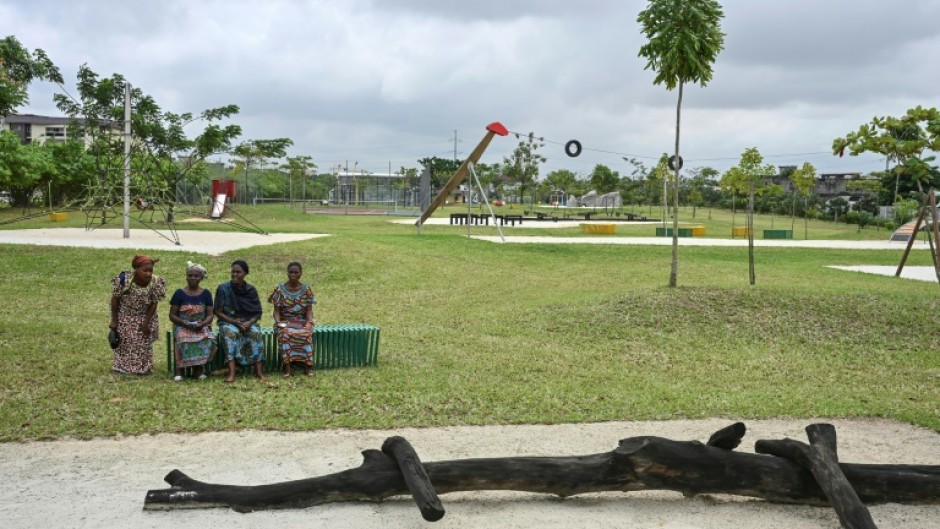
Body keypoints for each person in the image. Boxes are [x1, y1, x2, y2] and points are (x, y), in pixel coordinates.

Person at [109, 254, 167, 375]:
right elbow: (115, 299)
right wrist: (114, 320)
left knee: (142, 342)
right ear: (136, 269)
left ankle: (143, 368)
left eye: (150, 270)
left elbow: (154, 304)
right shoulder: (125, 280)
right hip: (125, 314)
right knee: (125, 341)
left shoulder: (155, 282)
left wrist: (146, 323)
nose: (148, 274)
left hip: (145, 315)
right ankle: (122, 366)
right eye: (145, 270)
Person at [214, 259, 266, 382]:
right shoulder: (223, 288)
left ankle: (259, 373)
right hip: (229, 322)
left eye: (238, 272)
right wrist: (235, 322)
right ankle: (231, 373)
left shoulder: (251, 290)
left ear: (245, 273)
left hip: (247, 322)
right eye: (233, 272)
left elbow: (257, 312)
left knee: (256, 334)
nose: (235, 274)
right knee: (229, 334)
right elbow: (218, 311)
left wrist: (249, 323)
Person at [168, 261, 216, 382]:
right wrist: (184, 323)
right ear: (186, 277)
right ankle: (180, 370)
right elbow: (172, 315)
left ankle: (198, 369)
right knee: (183, 338)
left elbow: (210, 315)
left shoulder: (206, 294)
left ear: (201, 278)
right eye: (190, 275)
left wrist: (203, 324)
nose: (193, 278)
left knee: (207, 338)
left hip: (200, 325)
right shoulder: (179, 293)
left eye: (196, 276)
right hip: (182, 325)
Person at [269, 261, 317, 377]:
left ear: (301, 273)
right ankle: (288, 368)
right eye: (291, 272)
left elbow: (309, 310)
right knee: (285, 333)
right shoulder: (279, 289)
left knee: (306, 333)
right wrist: (278, 322)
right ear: (287, 273)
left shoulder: (306, 289)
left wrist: (309, 322)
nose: (293, 275)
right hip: (284, 321)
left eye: (296, 272)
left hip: (302, 321)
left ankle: (307, 367)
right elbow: (276, 311)